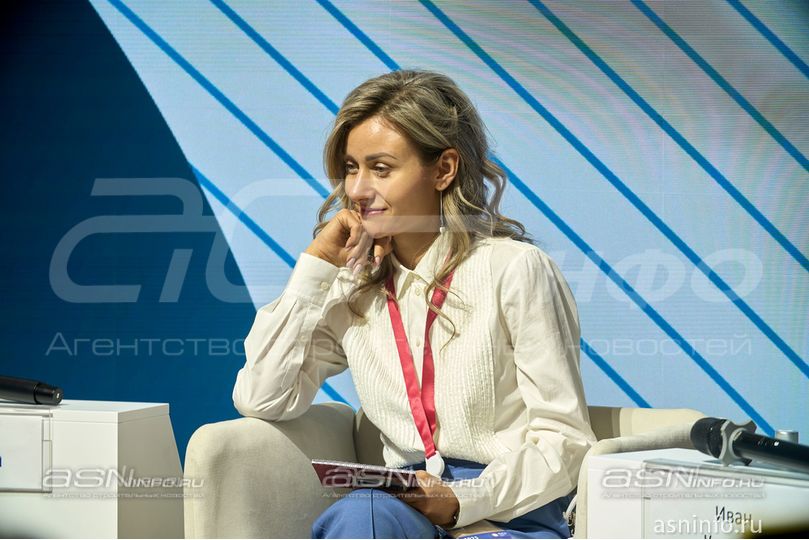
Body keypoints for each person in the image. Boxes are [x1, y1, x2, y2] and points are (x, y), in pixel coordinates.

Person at [232, 70, 596, 539]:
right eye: (351, 168)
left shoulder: (515, 269)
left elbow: (567, 441)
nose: (357, 190)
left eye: (381, 168)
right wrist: (316, 267)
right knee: (360, 513)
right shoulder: (353, 288)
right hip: (402, 511)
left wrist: (462, 500)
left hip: (511, 512)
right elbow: (262, 397)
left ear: (443, 169)